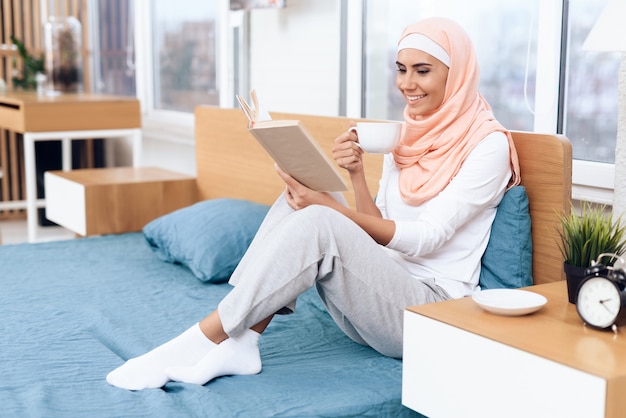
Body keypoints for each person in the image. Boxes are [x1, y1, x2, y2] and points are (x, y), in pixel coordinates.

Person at [106, 16, 520, 391]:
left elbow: (426, 239)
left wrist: (332, 211)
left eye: (422, 71)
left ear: (458, 74)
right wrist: (356, 174)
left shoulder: (488, 146)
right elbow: (376, 233)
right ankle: (246, 338)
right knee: (301, 201)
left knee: (321, 218)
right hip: (375, 299)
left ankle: (200, 338)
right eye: (401, 69)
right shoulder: (410, 135)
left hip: (429, 316)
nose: (407, 84)